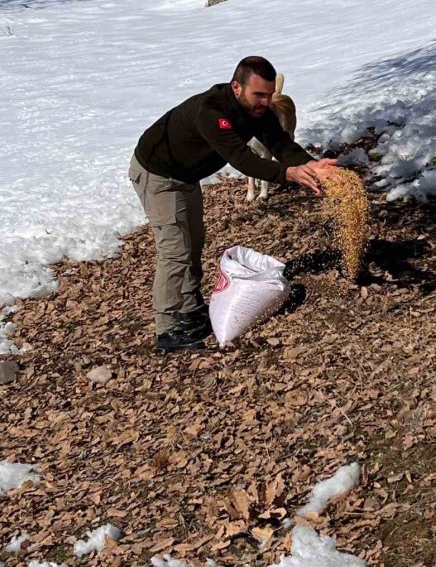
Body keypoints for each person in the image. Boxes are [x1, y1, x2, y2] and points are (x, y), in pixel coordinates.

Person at [129, 56, 337, 353]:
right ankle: (168, 329)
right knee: (175, 251)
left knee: (193, 242)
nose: (265, 102)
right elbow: (243, 159)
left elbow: (280, 143)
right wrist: (287, 174)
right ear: (236, 87)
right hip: (157, 174)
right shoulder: (212, 111)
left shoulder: (257, 110)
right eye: (259, 95)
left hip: (185, 175)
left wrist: (310, 164)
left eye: (268, 94)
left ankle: (189, 310)